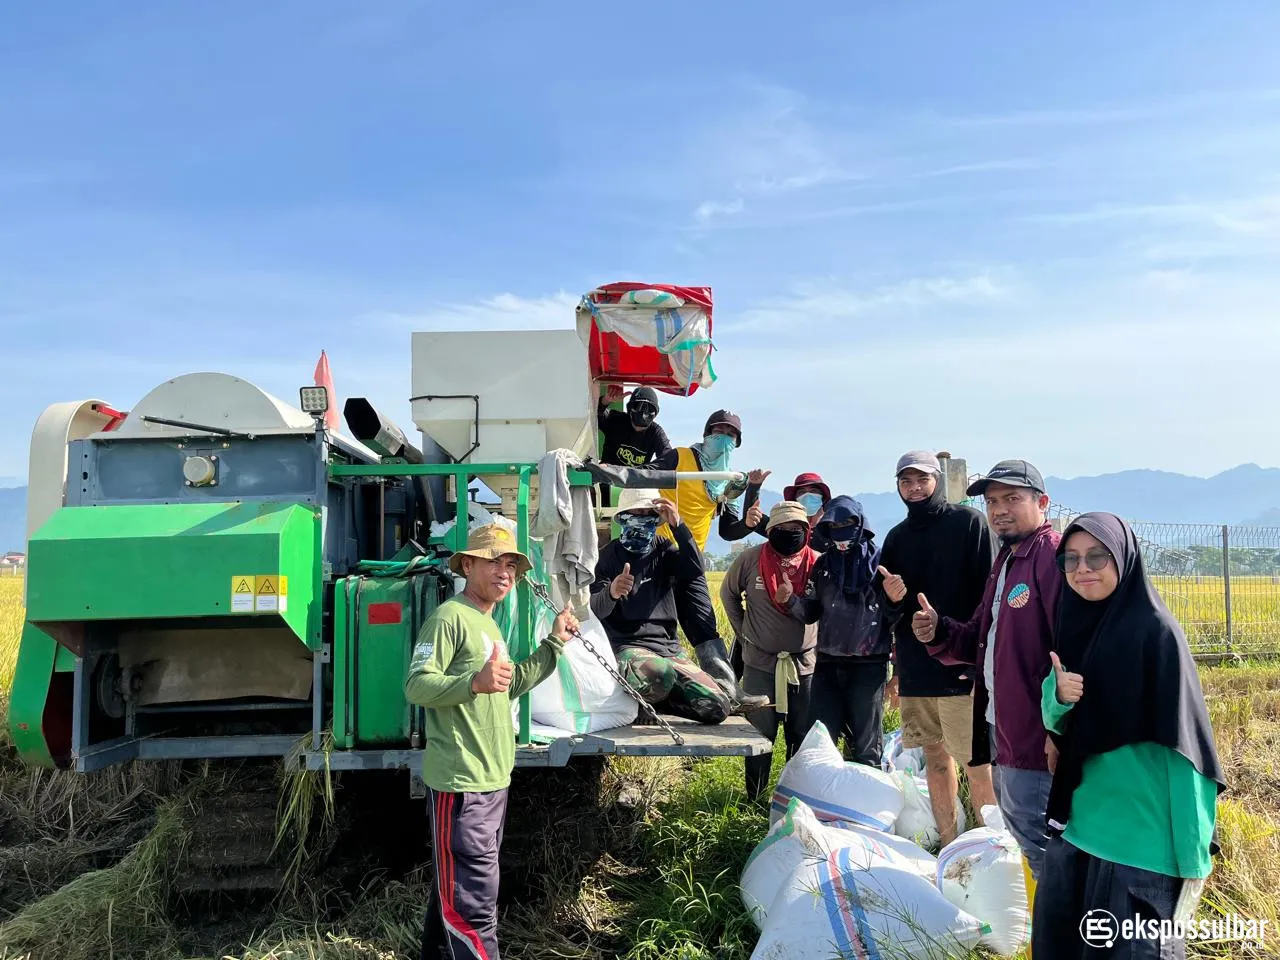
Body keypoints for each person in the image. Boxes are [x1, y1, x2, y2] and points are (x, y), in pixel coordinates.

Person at [1032, 513, 1226, 960]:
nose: (1083, 569)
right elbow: (1059, 722)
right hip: (1078, 831)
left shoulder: (1155, 635)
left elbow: (1186, 750)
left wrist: (1193, 860)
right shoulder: (1076, 623)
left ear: (1123, 558)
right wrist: (1058, 696)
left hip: (1140, 849)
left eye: (1097, 556)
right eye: (1072, 559)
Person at [405, 523, 580, 960]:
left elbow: (507, 683)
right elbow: (417, 686)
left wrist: (554, 643)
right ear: (467, 564)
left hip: (491, 780)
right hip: (462, 784)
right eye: (494, 561)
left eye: (512, 565)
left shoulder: (486, 622)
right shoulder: (449, 617)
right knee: (474, 907)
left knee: (455, 892)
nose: (506, 572)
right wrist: (474, 682)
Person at [913, 458, 1062, 878]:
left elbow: (1070, 654)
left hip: (1039, 740)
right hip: (1005, 729)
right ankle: (1042, 935)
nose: (999, 509)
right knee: (1027, 836)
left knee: (1043, 844)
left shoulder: (1051, 558)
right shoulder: (1009, 561)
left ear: (1042, 502)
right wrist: (938, 630)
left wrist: (1060, 732)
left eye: (1012, 498)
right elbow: (982, 636)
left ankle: (1059, 938)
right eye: (993, 501)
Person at [878, 451, 997, 848]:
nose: (914, 488)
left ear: (937, 480)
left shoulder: (968, 524)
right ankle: (950, 849)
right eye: (906, 481)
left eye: (922, 480)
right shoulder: (896, 537)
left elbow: (988, 596)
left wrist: (979, 659)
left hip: (962, 667)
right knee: (935, 757)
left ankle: (990, 851)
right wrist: (893, 599)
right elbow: (891, 612)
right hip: (917, 668)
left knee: (978, 765)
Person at [645, 409, 771, 711]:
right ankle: (652, 698)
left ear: (737, 442)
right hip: (658, 551)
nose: (723, 439)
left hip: (691, 556)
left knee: (704, 624)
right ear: (706, 433)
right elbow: (644, 476)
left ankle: (730, 691)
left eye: (730, 435)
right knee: (654, 627)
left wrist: (749, 524)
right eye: (718, 431)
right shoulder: (680, 457)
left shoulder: (729, 480)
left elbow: (729, 531)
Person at [590, 489, 731, 724]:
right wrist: (612, 592)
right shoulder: (607, 558)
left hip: (668, 650)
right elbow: (596, 609)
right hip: (628, 647)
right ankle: (641, 700)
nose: (644, 518)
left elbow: (695, 568)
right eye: (638, 512)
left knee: (718, 707)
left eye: (650, 513)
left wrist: (678, 525)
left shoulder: (664, 549)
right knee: (658, 673)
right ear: (624, 516)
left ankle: (659, 702)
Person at [786, 495, 896, 767]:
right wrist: (789, 600)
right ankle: (823, 800)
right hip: (828, 663)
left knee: (865, 742)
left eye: (847, 524)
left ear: (861, 524)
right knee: (821, 737)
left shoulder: (881, 565)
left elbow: (896, 617)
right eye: (834, 528)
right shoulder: (823, 566)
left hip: (869, 664)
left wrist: (900, 668)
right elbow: (812, 611)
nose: (841, 534)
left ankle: (864, 802)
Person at [721, 501, 819, 801]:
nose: (790, 534)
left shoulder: (817, 562)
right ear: (770, 531)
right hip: (759, 665)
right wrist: (745, 634)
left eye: (797, 529)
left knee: (800, 736)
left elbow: (825, 610)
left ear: (806, 531)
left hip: (804, 668)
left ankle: (796, 799)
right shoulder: (750, 560)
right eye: (783, 529)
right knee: (760, 736)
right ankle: (755, 797)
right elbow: (728, 595)